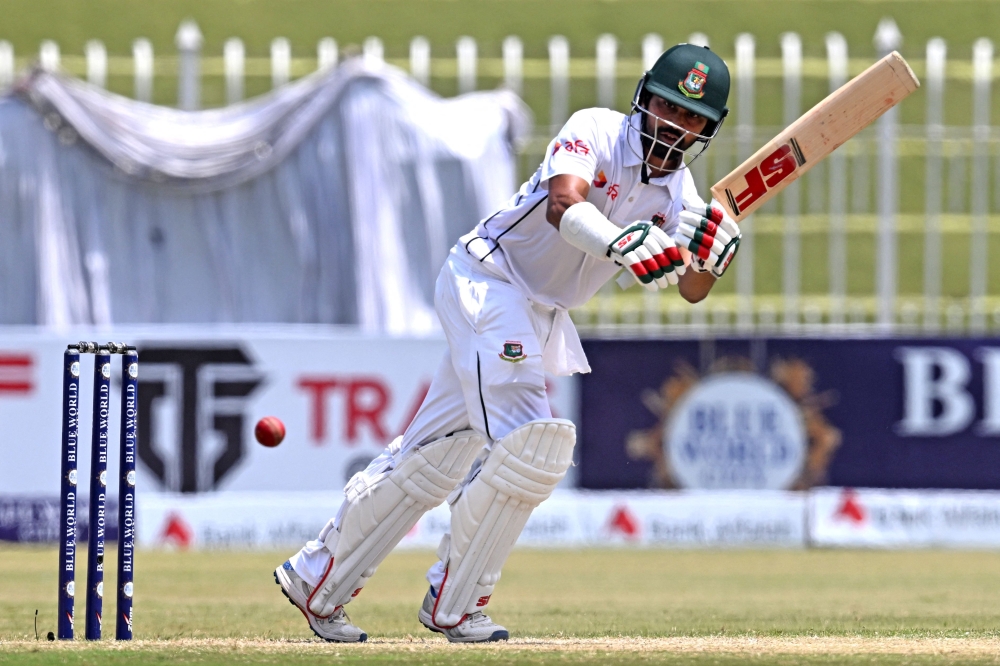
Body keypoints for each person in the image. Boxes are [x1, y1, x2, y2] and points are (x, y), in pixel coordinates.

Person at [273, 43, 741, 643]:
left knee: (433, 457)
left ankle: (317, 578)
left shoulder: (679, 193)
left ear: (707, 128)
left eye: (692, 118)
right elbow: (563, 204)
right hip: (488, 281)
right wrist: (620, 241)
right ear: (644, 99)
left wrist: (713, 255)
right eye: (665, 107)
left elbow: (692, 288)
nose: (674, 125)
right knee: (529, 446)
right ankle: (455, 602)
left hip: (537, 312)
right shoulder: (595, 129)